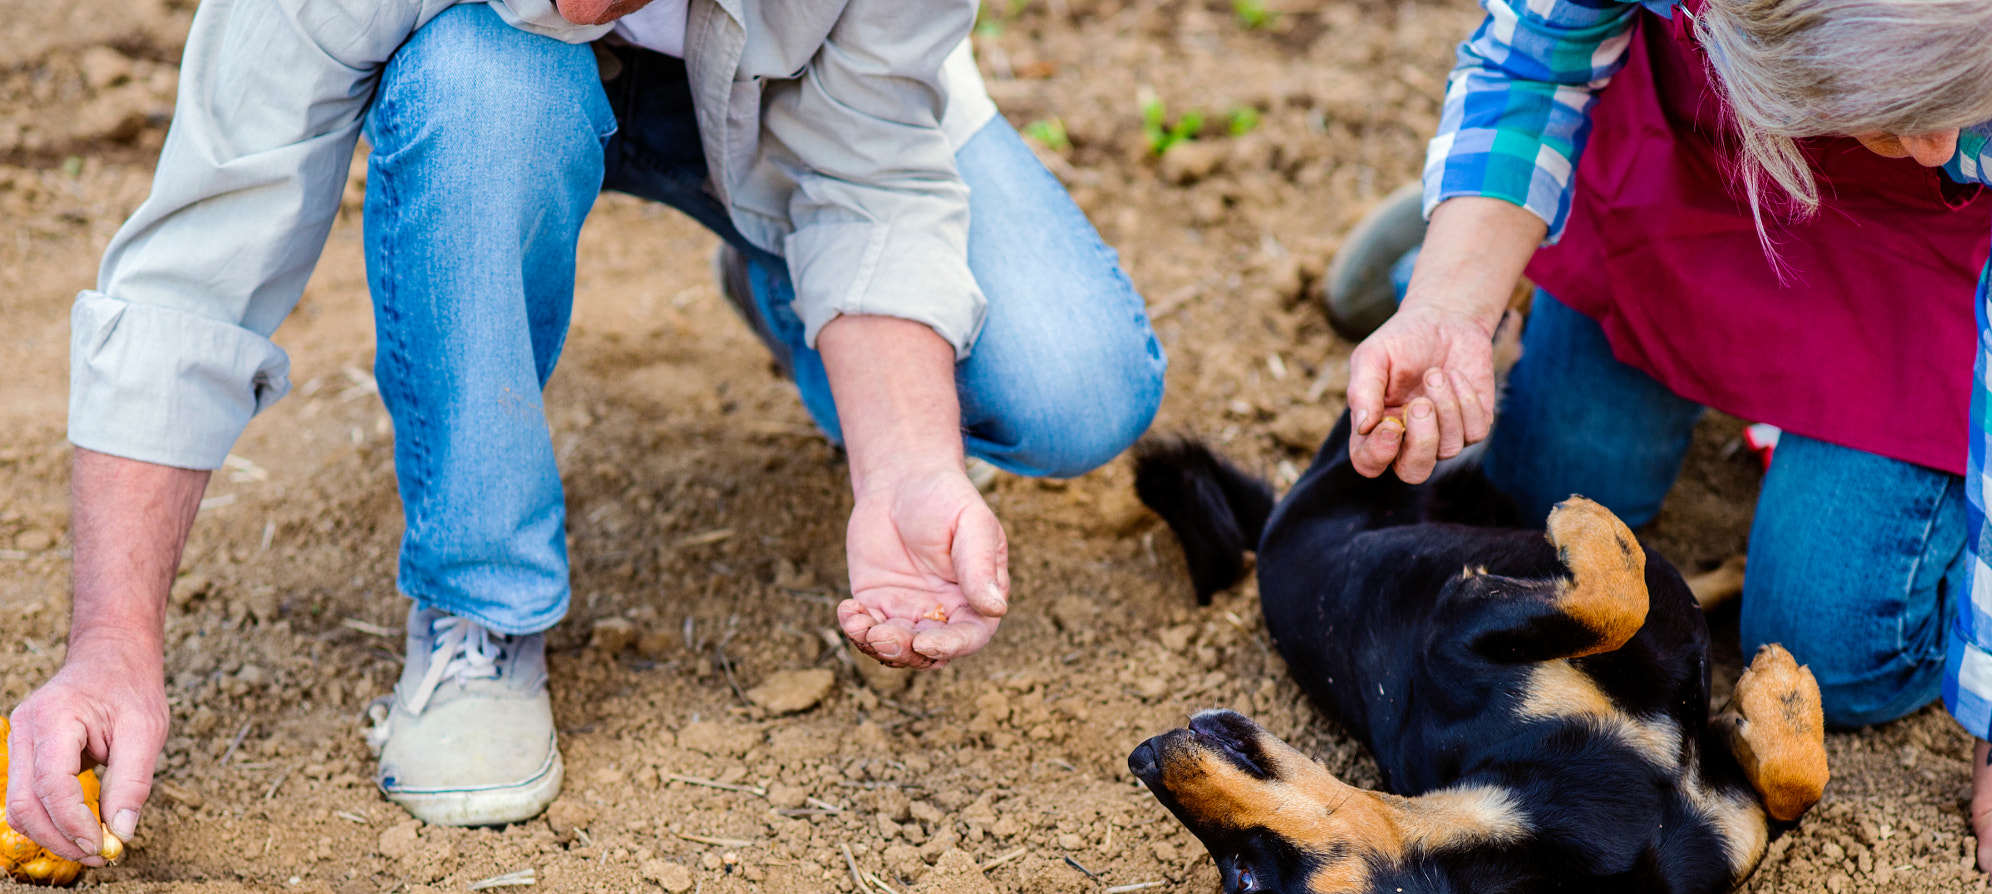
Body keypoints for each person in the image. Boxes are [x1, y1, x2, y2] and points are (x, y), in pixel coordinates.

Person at [4, 0, 1165, 848]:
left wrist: (907, 466)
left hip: (788, 92)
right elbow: (195, 266)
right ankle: (479, 601)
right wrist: (109, 647)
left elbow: (871, 175)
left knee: (1073, 387)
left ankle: (792, 296)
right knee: (481, 86)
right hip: (484, 95)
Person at [1321, 0, 1992, 894]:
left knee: (1840, 659)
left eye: (1958, 102)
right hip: (1705, 169)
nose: (1946, 139)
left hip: (1921, 256)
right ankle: (1483, 220)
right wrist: (1451, 306)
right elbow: (1534, 55)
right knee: (1551, 493)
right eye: (1905, 108)